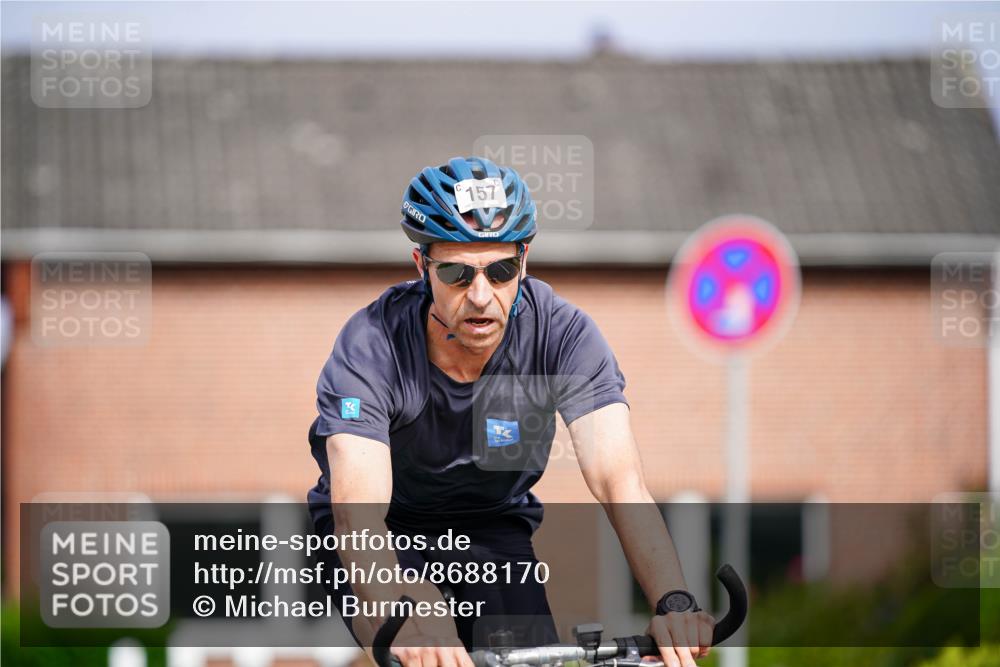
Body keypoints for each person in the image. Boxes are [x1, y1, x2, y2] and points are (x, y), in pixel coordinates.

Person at [307, 156, 714, 667]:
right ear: (421, 266)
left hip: (494, 529)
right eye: (456, 273)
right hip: (387, 529)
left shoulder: (562, 336)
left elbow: (620, 481)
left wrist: (672, 601)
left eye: (500, 271)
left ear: (524, 259)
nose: (481, 296)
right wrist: (397, 604)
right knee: (421, 632)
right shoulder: (372, 346)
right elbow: (358, 515)